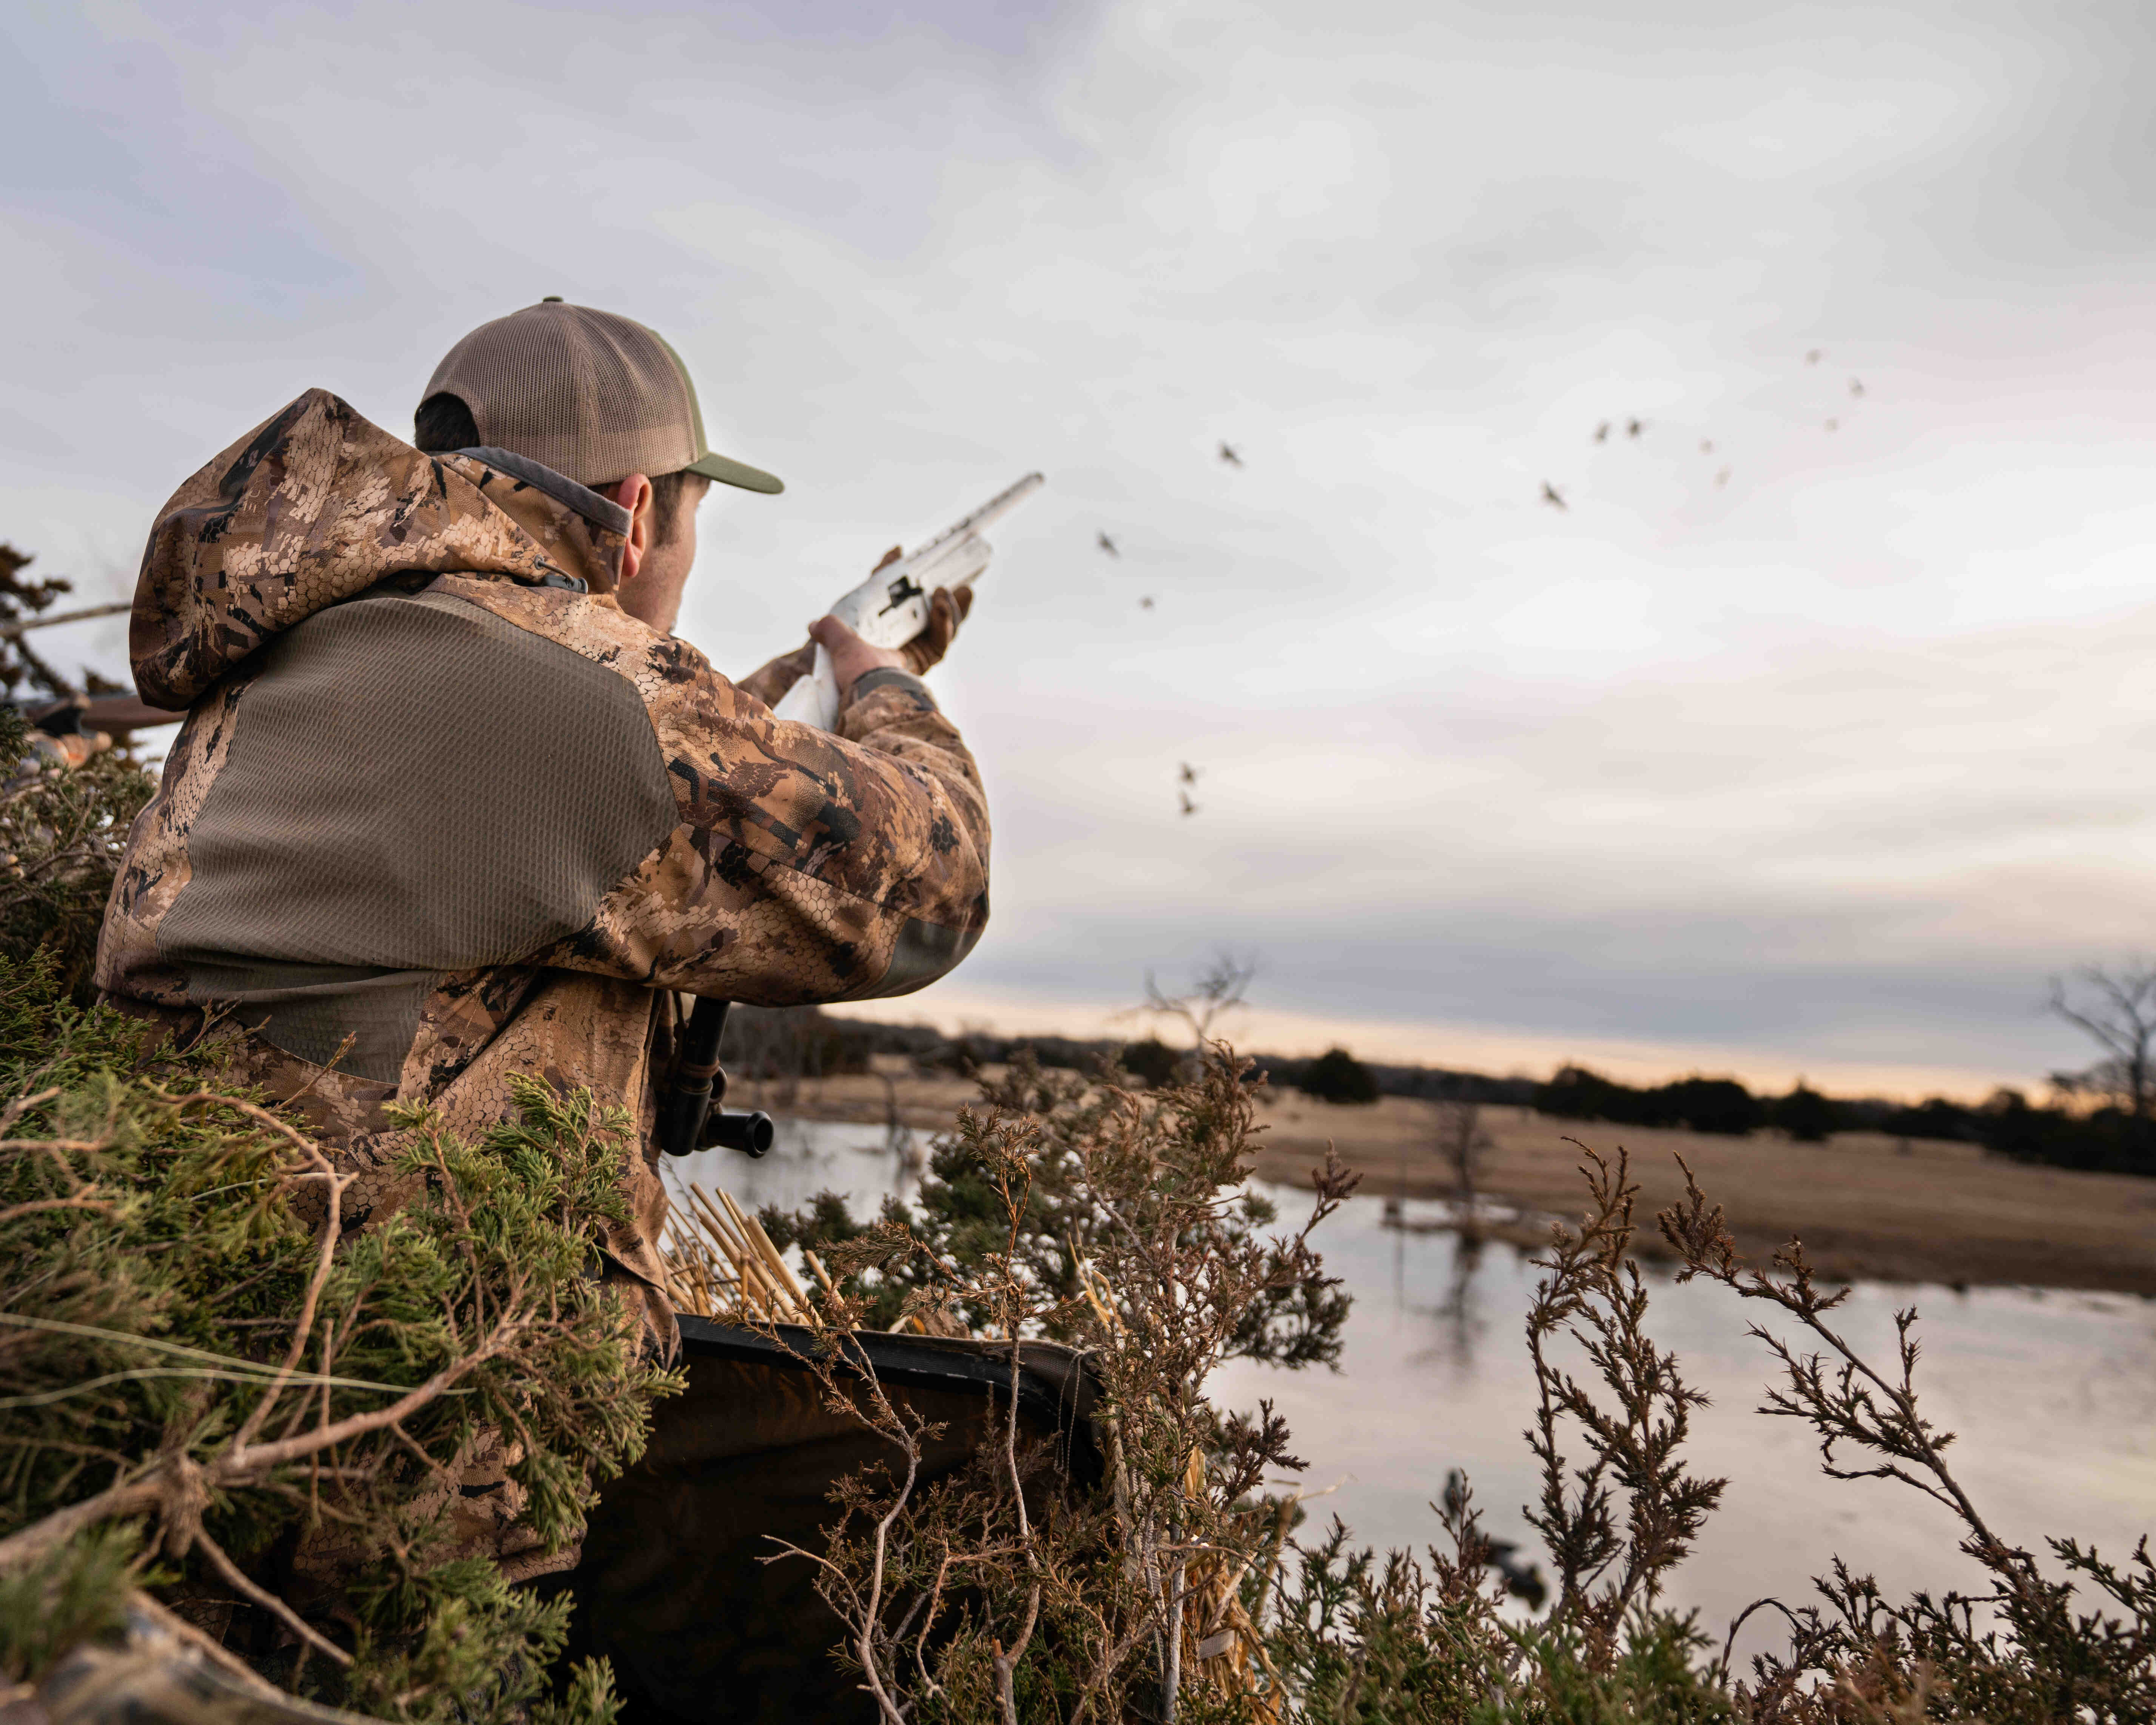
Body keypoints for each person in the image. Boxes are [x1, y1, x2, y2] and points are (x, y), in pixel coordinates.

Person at [94, 299, 992, 1382]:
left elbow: (632, 802)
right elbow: (936, 889)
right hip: (408, 1421)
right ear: (640, 510)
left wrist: (797, 698)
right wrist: (880, 681)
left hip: (200, 1328)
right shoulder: (583, 703)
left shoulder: (340, 633)